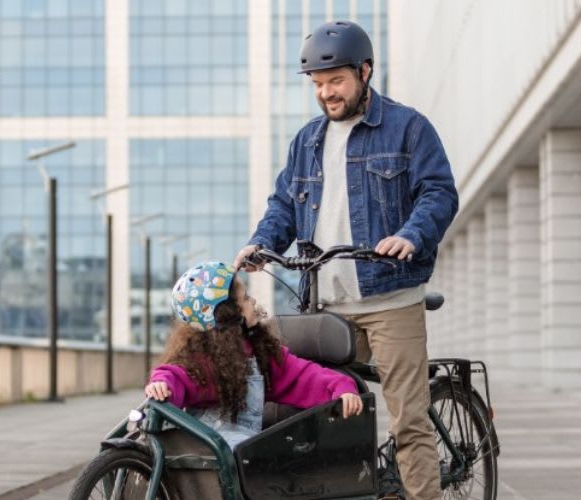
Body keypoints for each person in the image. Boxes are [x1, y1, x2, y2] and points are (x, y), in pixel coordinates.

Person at [233, 20, 458, 500]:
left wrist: (410, 235)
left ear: (365, 72)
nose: (327, 93)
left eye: (336, 81)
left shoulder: (407, 128)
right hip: (327, 303)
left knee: (408, 420)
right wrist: (261, 243)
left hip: (389, 297)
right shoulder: (307, 141)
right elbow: (284, 206)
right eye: (318, 84)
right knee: (311, 407)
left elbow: (438, 193)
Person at [145, 262, 364, 448]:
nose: (253, 302)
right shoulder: (200, 360)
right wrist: (162, 385)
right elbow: (175, 376)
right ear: (230, 314)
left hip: (239, 449)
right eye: (246, 298)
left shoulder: (261, 355)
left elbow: (303, 375)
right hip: (203, 445)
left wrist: (340, 387)